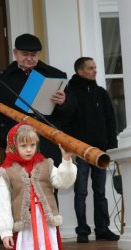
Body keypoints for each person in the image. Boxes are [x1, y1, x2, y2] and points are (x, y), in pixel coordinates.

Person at [0, 33, 72, 175]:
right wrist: (4, 136)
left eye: (34, 54)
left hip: (48, 144)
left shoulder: (55, 75)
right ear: (15, 53)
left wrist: (64, 102)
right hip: (17, 144)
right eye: (25, 54)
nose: (30, 58)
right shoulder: (1, 79)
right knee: (21, 191)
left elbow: (72, 110)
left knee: (48, 192)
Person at [0, 122, 77, 250]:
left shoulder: (46, 164)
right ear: (13, 146)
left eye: (32, 145)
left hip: (46, 223)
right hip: (25, 227)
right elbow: (2, 203)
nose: (29, 149)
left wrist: (66, 159)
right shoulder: (7, 171)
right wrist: (5, 231)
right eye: (23, 146)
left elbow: (63, 182)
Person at [65, 57, 120, 243]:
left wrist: (111, 146)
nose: (94, 71)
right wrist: (71, 148)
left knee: (100, 192)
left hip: (101, 152)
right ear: (80, 71)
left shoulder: (101, 93)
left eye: (95, 67)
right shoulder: (70, 93)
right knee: (80, 192)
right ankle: (82, 231)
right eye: (90, 68)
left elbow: (111, 121)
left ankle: (102, 229)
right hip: (80, 151)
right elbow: (67, 121)